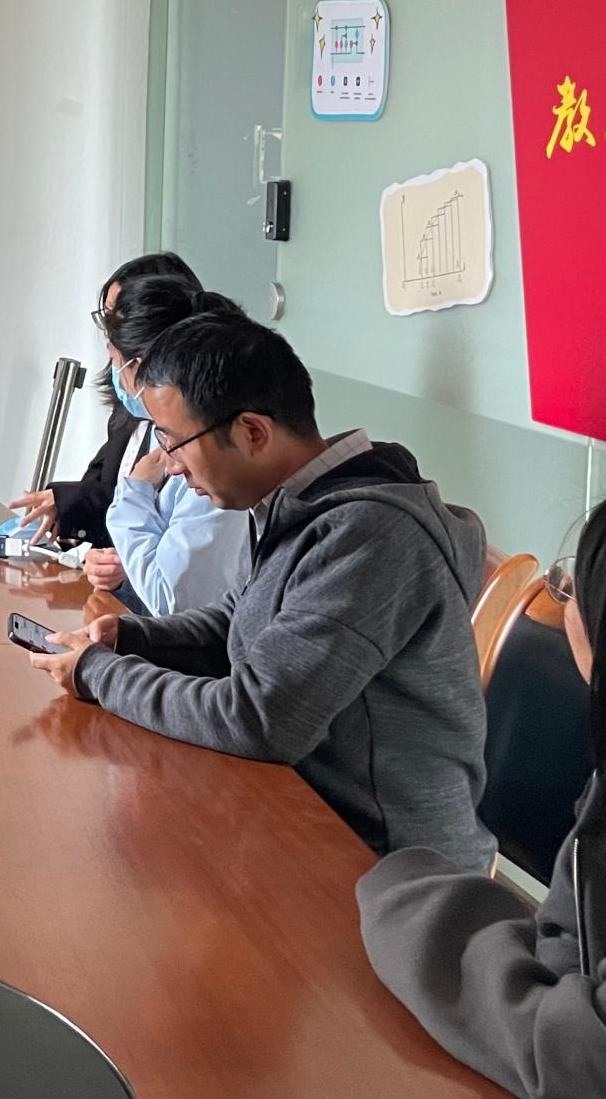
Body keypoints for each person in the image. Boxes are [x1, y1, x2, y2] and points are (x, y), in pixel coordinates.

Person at [25, 311, 496, 871]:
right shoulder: (298, 501)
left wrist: (97, 673)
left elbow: (260, 719)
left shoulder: (370, 533)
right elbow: (243, 614)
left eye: (175, 443)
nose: (171, 468)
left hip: (384, 864)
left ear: (252, 432)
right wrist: (131, 638)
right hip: (297, 811)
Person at [359, 501, 606, 1095]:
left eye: (574, 585)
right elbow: (568, 935)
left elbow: (580, 1056)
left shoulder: (378, 531)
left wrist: (397, 893)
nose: (565, 599)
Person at [8, 251, 202, 548]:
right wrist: (65, 504)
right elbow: (105, 485)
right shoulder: (128, 408)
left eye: (118, 316)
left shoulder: (191, 429)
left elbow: (169, 548)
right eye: (107, 316)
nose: (110, 333)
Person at [87, 276, 251, 616]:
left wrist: (134, 494)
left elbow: (172, 601)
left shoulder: (213, 452)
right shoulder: (160, 428)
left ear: (141, 366)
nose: (175, 463)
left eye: (116, 360)